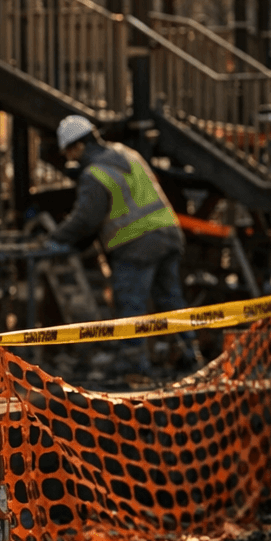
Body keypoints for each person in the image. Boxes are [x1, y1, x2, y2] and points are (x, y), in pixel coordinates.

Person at [41, 115, 200, 383]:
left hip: (136, 244)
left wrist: (55, 238)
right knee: (171, 300)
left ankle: (134, 366)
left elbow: (85, 221)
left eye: (69, 151)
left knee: (130, 305)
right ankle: (191, 355)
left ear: (78, 146)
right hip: (168, 233)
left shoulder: (94, 175)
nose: (70, 158)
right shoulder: (126, 153)